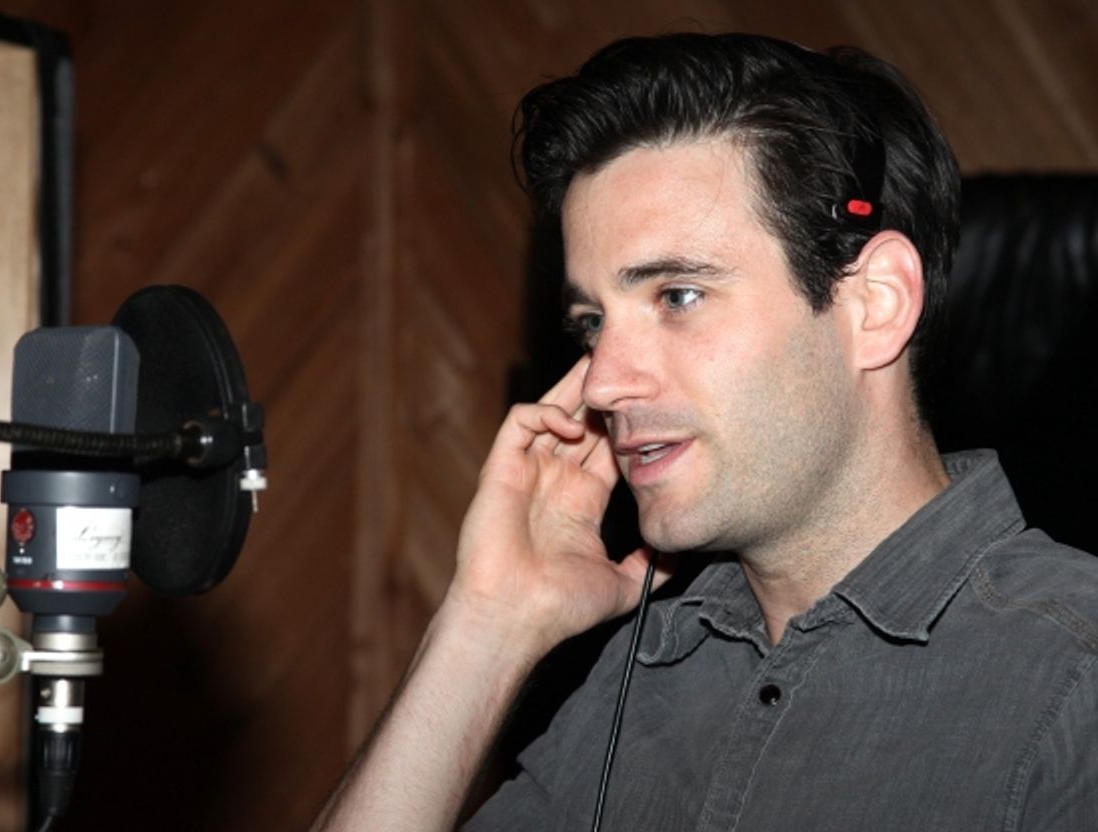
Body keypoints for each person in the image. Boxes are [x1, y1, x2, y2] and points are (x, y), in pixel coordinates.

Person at [312, 32, 1098, 831]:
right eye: (591, 323)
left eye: (678, 296)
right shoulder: (647, 666)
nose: (606, 382)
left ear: (877, 304)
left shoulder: (1074, 677)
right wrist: (488, 622)